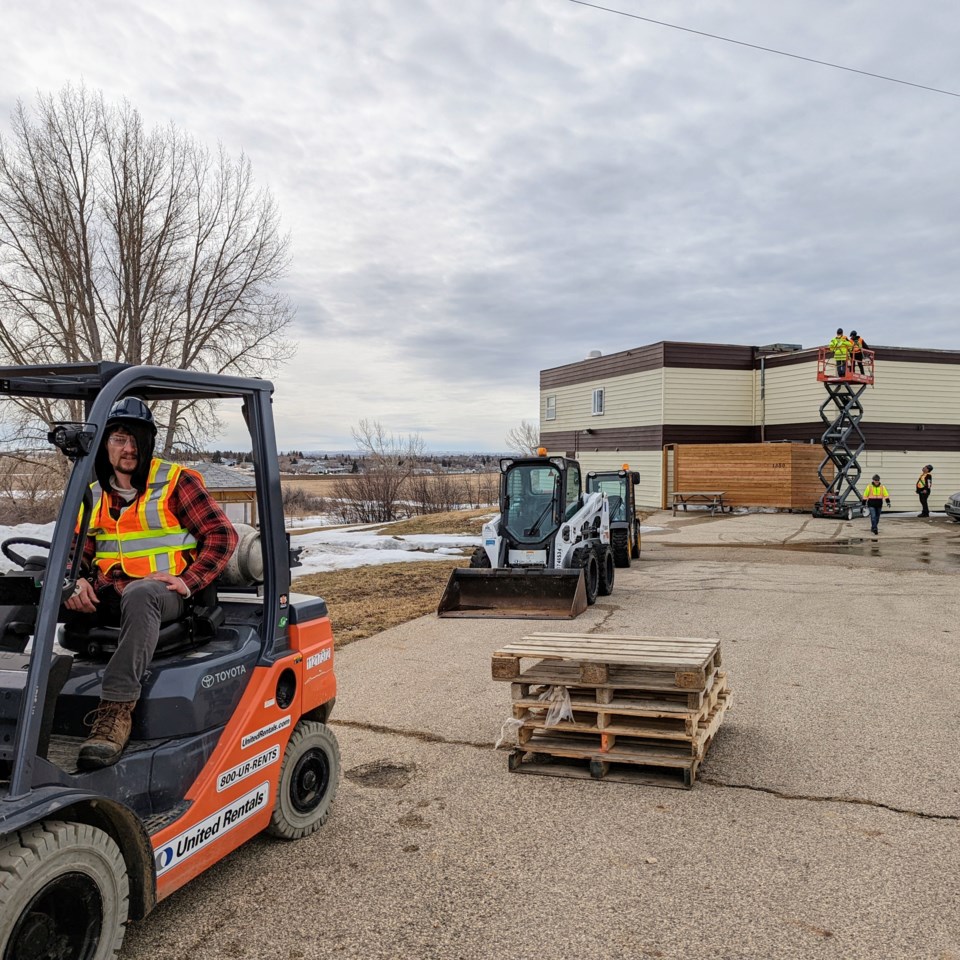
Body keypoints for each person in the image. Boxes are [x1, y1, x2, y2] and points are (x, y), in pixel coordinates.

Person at [64, 397, 238, 769]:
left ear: (148, 443)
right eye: (119, 439)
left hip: (166, 595)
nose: (128, 449)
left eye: (136, 440)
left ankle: (115, 710)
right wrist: (74, 580)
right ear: (106, 444)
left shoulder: (175, 482)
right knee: (30, 579)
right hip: (111, 593)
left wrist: (188, 580)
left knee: (142, 592)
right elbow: (74, 551)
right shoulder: (93, 494)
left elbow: (222, 536)